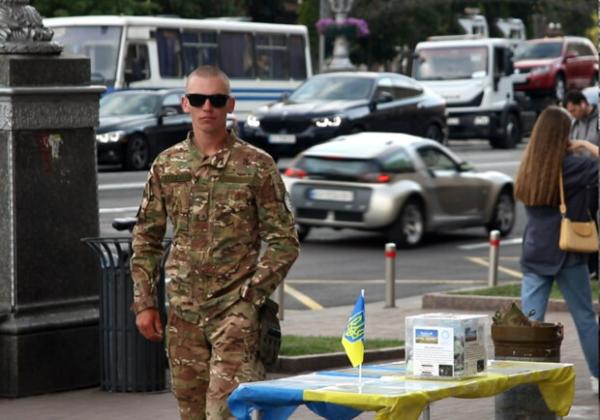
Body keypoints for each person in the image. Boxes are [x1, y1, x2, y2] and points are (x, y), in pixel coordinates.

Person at [130, 65, 299, 419]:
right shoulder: (167, 166)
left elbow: (285, 241)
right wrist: (145, 303)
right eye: (198, 99)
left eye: (217, 100)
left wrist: (251, 297)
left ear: (230, 105)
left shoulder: (256, 166)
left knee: (224, 412)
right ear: (185, 104)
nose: (208, 107)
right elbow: (146, 238)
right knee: (191, 412)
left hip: (234, 314)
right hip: (184, 314)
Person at [514, 106, 599, 395]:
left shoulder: (530, 165)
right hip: (568, 252)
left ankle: (524, 377)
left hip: (535, 251)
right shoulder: (573, 165)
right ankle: (598, 376)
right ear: (564, 135)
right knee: (585, 318)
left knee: (529, 323)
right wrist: (588, 145)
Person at [564, 89, 599, 279]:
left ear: (583, 104)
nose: (572, 114)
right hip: (583, 180)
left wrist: (583, 144)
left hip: (596, 177)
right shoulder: (574, 123)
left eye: (573, 110)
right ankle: (592, 265)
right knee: (587, 220)